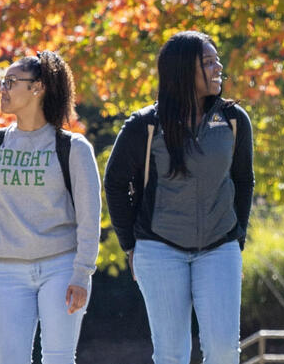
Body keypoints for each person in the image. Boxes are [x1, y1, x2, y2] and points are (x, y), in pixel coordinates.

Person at [105, 31, 255, 364]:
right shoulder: (145, 125)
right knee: (172, 354)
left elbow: (244, 181)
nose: (218, 67)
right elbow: (115, 183)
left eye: (217, 60)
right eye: (207, 62)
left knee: (223, 351)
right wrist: (131, 245)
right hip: (158, 250)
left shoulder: (232, 120)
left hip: (220, 249)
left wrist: (237, 240)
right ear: (182, 69)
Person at [0, 51, 102, 364]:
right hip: (8, 271)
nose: (3, 88)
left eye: (11, 82)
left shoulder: (73, 148)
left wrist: (81, 274)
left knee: (58, 358)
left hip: (62, 268)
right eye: (4, 82)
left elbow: (89, 218)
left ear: (38, 88)